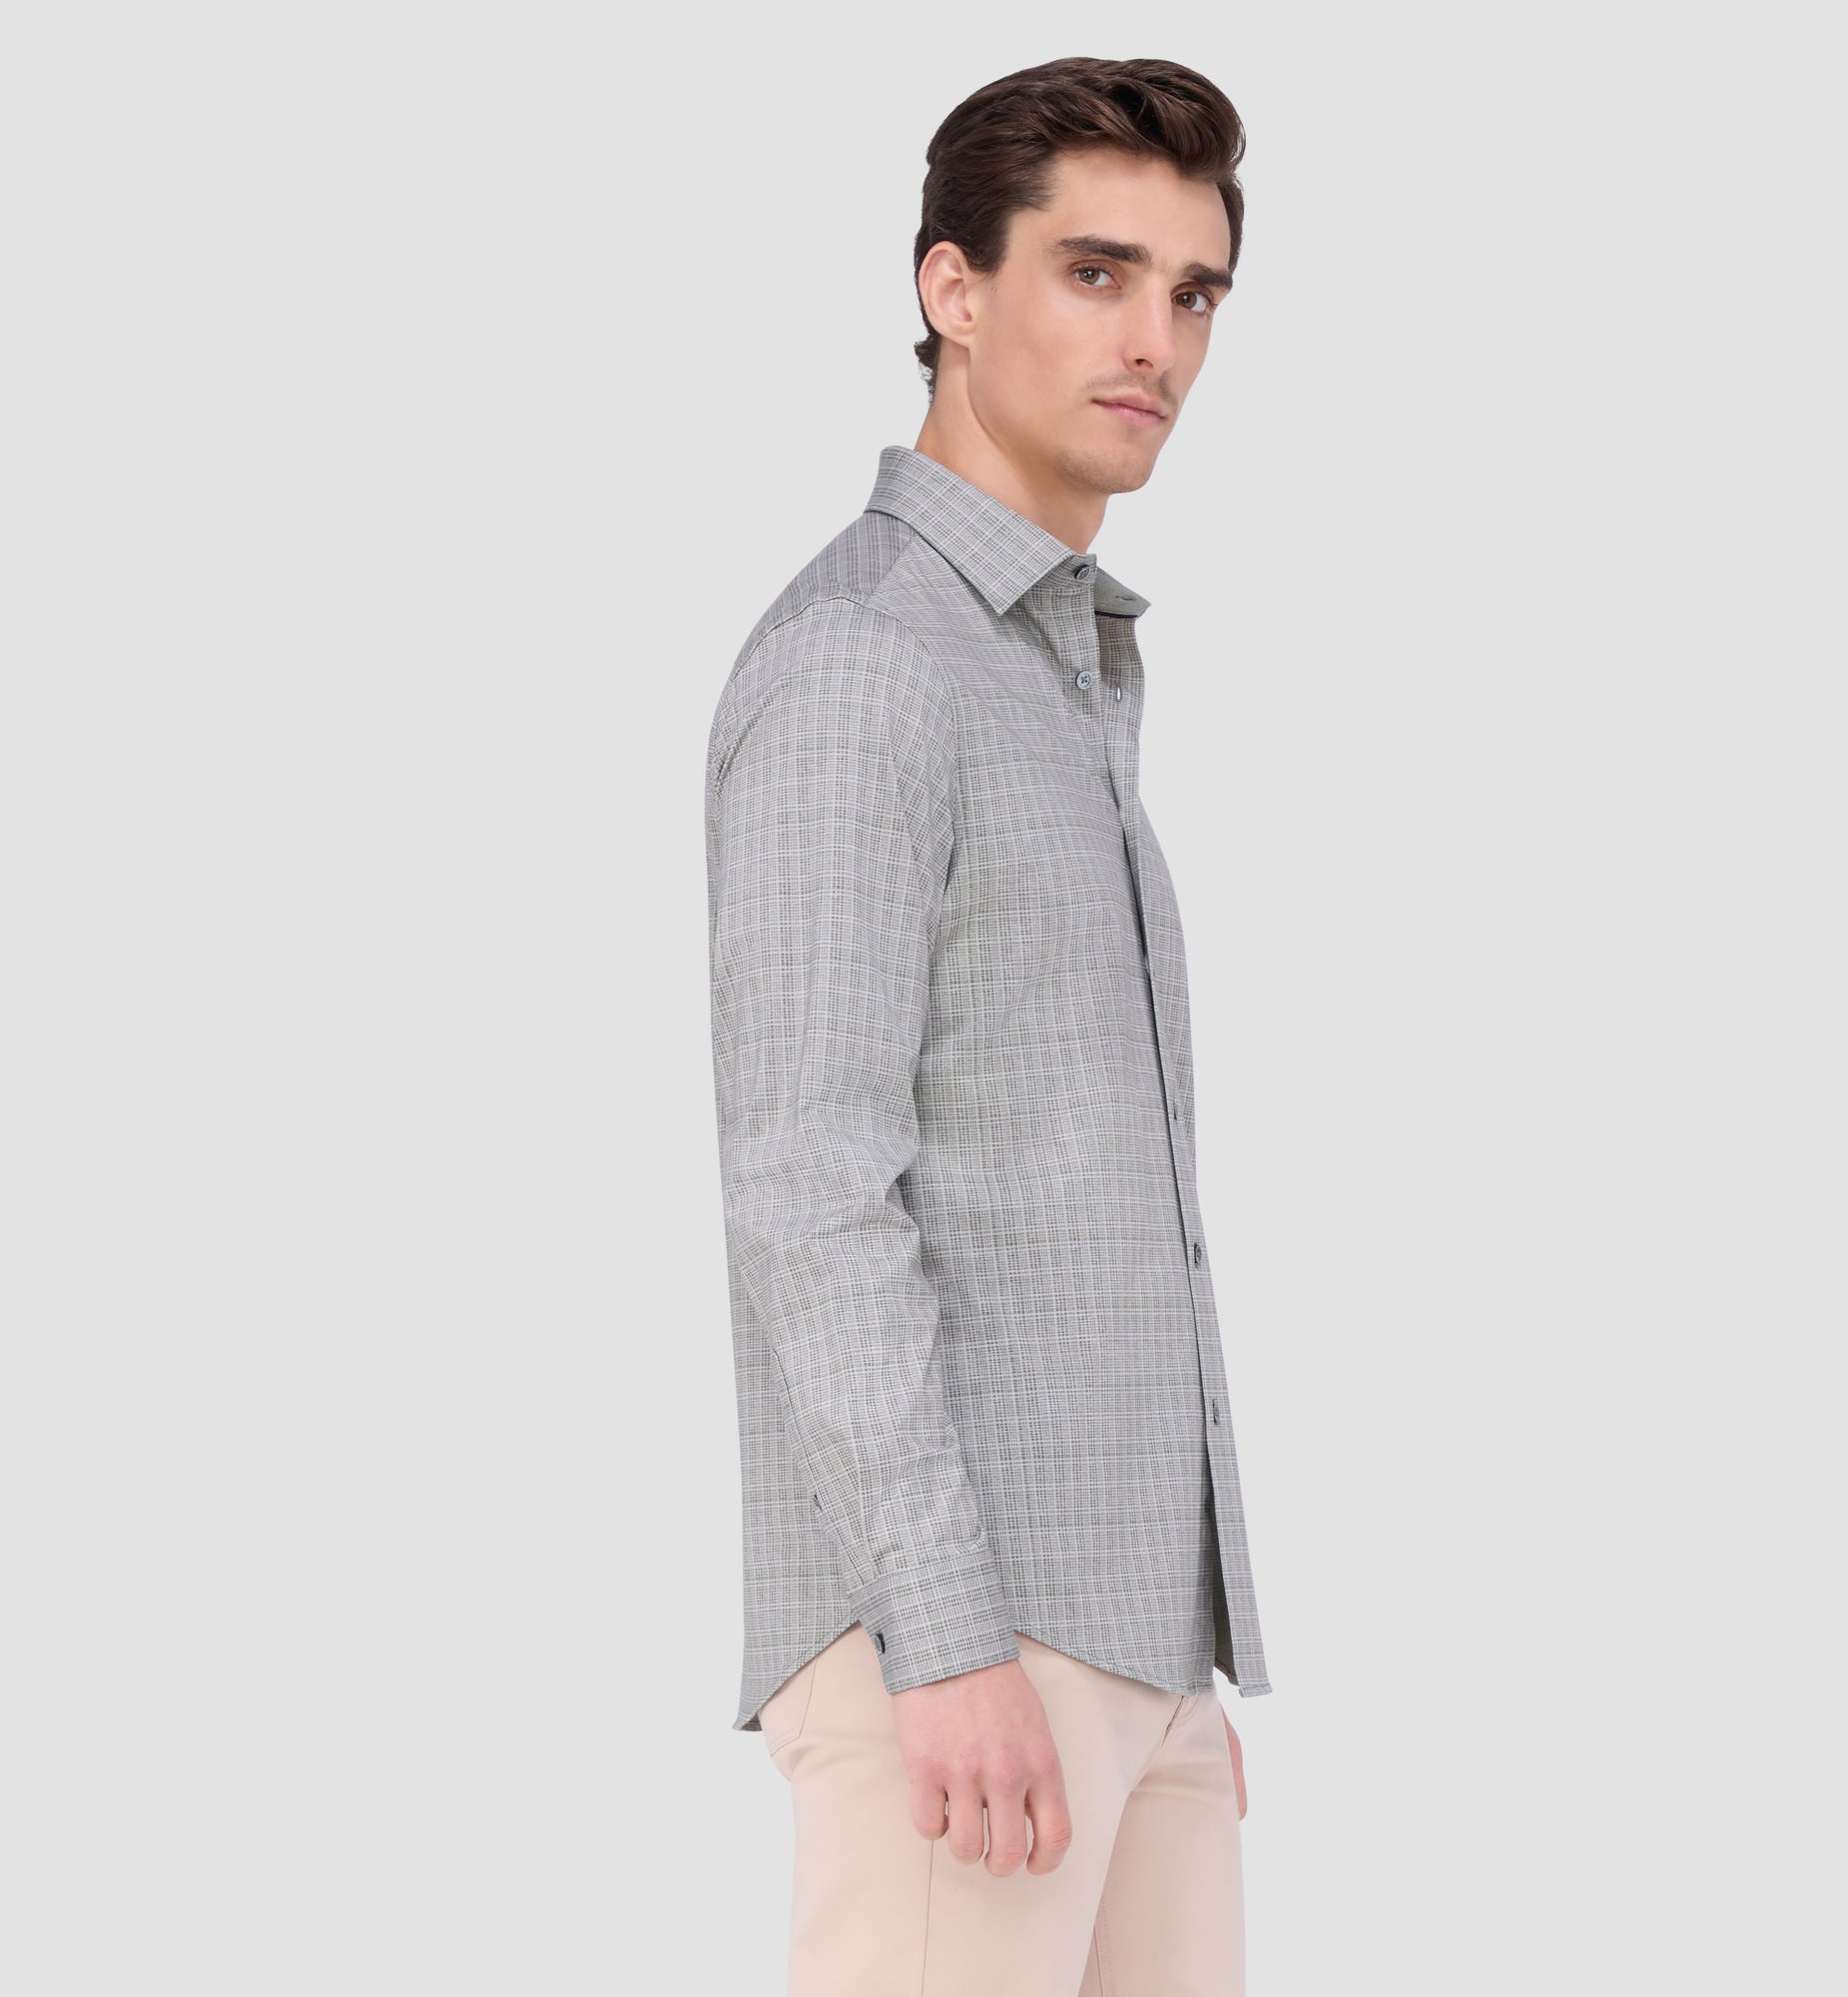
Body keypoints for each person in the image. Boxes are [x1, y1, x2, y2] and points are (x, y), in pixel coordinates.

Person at [703, 55, 1274, 1996]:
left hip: (1127, 1647)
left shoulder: (1050, 676)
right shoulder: (867, 663)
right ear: (952, 287)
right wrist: (946, 1638)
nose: (1154, 341)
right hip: (956, 1644)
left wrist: (1170, 1666)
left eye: (1192, 292)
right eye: (1096, 273)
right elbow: (808, 1185)